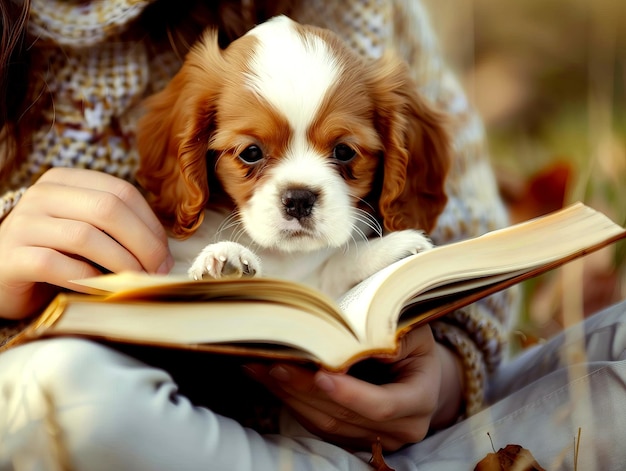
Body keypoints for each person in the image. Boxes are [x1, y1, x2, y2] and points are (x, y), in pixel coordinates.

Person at [0, 0, 624, 470]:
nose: (300, 191)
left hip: (380, 436)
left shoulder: (364, 17)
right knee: (62, 388)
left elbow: (462, 263)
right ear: (192, 150)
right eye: (250, 155)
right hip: (134, 416)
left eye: (345, 155)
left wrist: (437, 386)